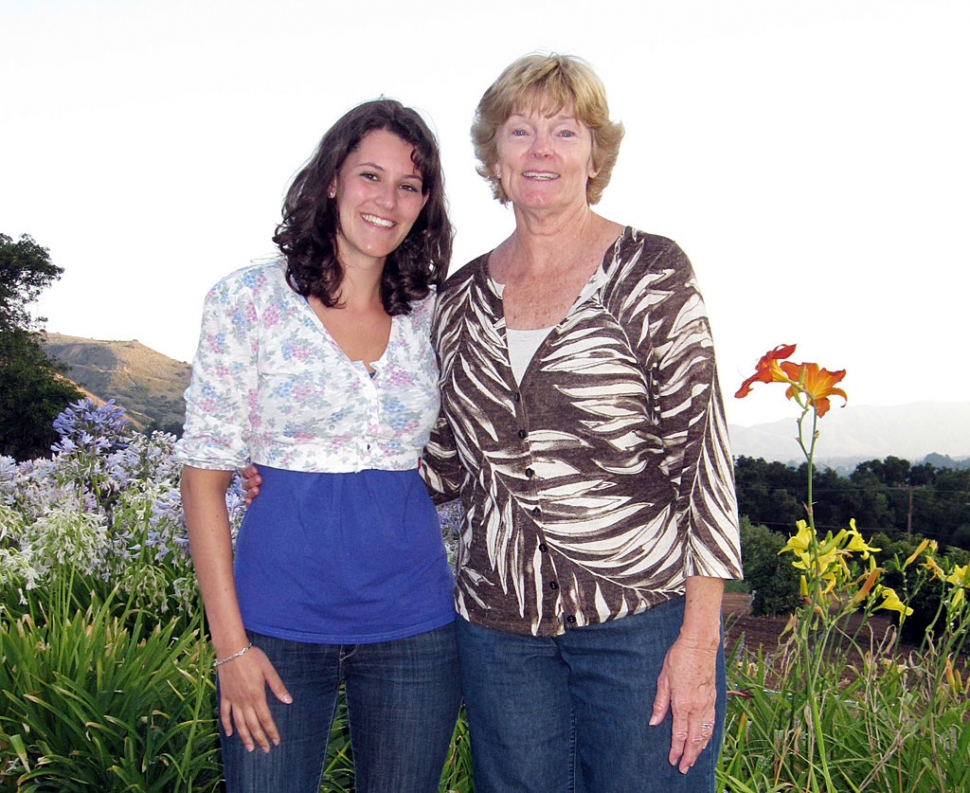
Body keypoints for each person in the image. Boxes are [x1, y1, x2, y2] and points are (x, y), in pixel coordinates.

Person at [418, 54, 743, 792]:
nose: (541, 150)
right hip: (500, 635)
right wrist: (295, 463)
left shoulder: (649, 271)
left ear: (594, 155)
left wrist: (699, 638)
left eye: (564, 131)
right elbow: (438, 462)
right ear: (493, 156)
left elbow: (705, 463)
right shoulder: (458, 300)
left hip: (640, 621)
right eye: (520, 130)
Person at [177, 99, 461, 793]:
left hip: (415, 625)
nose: (386, 200)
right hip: (274, 625)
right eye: (370, 175)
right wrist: (231, 649)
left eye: (409, 186)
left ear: (425, 204)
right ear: (333, 178)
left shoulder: (434, 313)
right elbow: (203, 478)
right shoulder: (246, 302)